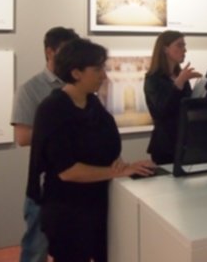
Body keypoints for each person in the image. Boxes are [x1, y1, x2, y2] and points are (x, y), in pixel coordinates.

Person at [27, 38, 154, 262]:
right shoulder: (52, 110)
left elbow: (109, 147)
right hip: (68, 212)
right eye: (97, 69)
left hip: (98, 203)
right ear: (76, 73)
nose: (103, 75)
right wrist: (118, 171)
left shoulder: (93, 105)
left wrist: (118, 163)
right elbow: (68, 171)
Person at [11, 26, 79, 262]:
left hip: (76, 180)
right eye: (66, 51)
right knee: (36, 250)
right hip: (44, 185)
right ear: (50, 52)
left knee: (71, 249)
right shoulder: (30, 89)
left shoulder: (79, 87)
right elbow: (22, 137)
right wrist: (62, 130)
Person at [144, 30, 202, 164]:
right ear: (165, 49)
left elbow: (186, 107)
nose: (184, 50)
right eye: (179, 45)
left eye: (184, 46)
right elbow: (161, 111)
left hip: (187, 143)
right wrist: (178, 84)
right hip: (165, 146)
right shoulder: (153, 79)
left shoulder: (180, 76)